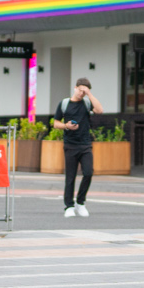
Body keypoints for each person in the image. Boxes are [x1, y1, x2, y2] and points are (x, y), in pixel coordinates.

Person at [51, 78, 102, 218]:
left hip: (85, 145)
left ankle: (80, 203)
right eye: (80, 90)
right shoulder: (64, 104)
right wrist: (66, 126)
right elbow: (56, 123)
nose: (81, 93)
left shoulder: (86, 103)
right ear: (75, 88)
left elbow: (99, 110)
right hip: (70, 145)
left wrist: (89, 95)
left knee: (88, 173)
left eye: (84, 91)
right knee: (70, 177)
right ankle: (69, 206)